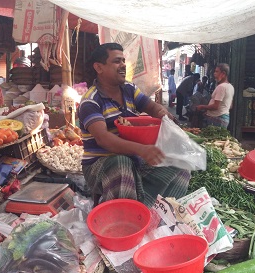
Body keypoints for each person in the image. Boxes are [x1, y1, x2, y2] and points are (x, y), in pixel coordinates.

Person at [78, 43, 190, 207]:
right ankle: (124, 220)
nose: (123, 65)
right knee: (122, 164)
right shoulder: (91, 101)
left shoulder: (129, 89)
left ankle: (151, 211)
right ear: (99, 67)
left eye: (123, 60)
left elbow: (151, 107)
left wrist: (163, 114)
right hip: (99, 165)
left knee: (180, 163)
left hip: (133, 159)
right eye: (117, 61)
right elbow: (103, 139)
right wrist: (142, 150)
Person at [197, 63, 234, 128]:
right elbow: (230, 106)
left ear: (223, 73)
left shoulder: (221, 87)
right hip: (223, 118)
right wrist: (208, 112)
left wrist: (202, 107)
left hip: (217, 119)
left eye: (217, 71)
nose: (214, 73)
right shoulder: (230, 87)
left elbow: (215, 106)